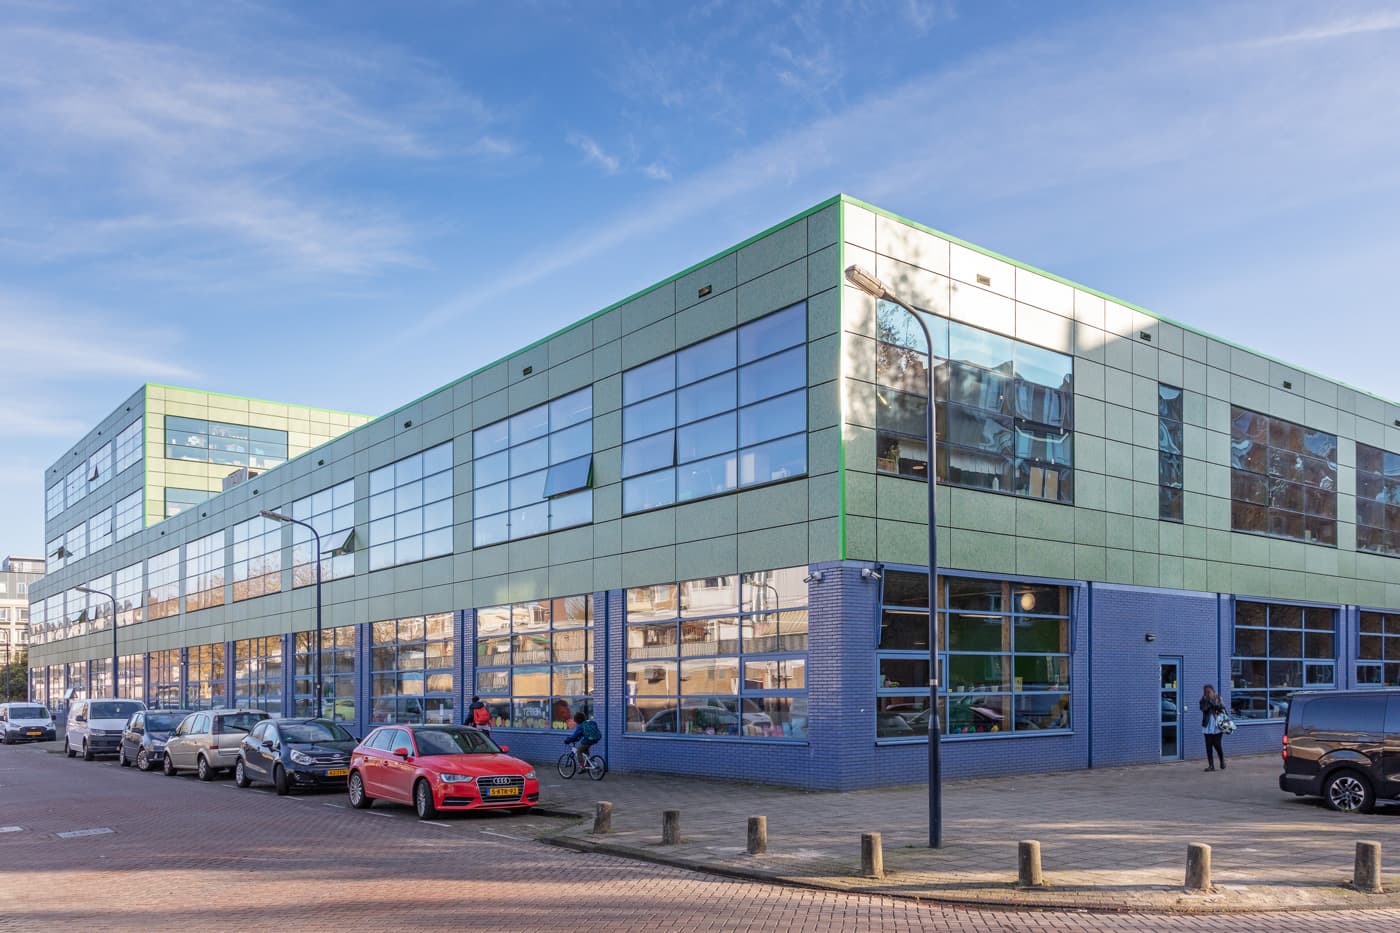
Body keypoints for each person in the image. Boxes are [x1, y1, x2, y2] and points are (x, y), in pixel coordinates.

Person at [1199, 684, 1226, 771]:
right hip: (1207, 725)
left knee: (1217, 744)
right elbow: (1204, 709)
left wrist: (1213, 701)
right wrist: (1207, 700)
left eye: (1208, 692)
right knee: (1208, 746)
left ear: (1213, 691)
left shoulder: (1218, 698)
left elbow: (1221, 708)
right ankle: (1211, 766)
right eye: (1205, 692)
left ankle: (1222, 760)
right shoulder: (1203, 700)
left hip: (1217, 725)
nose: (1207, 693)